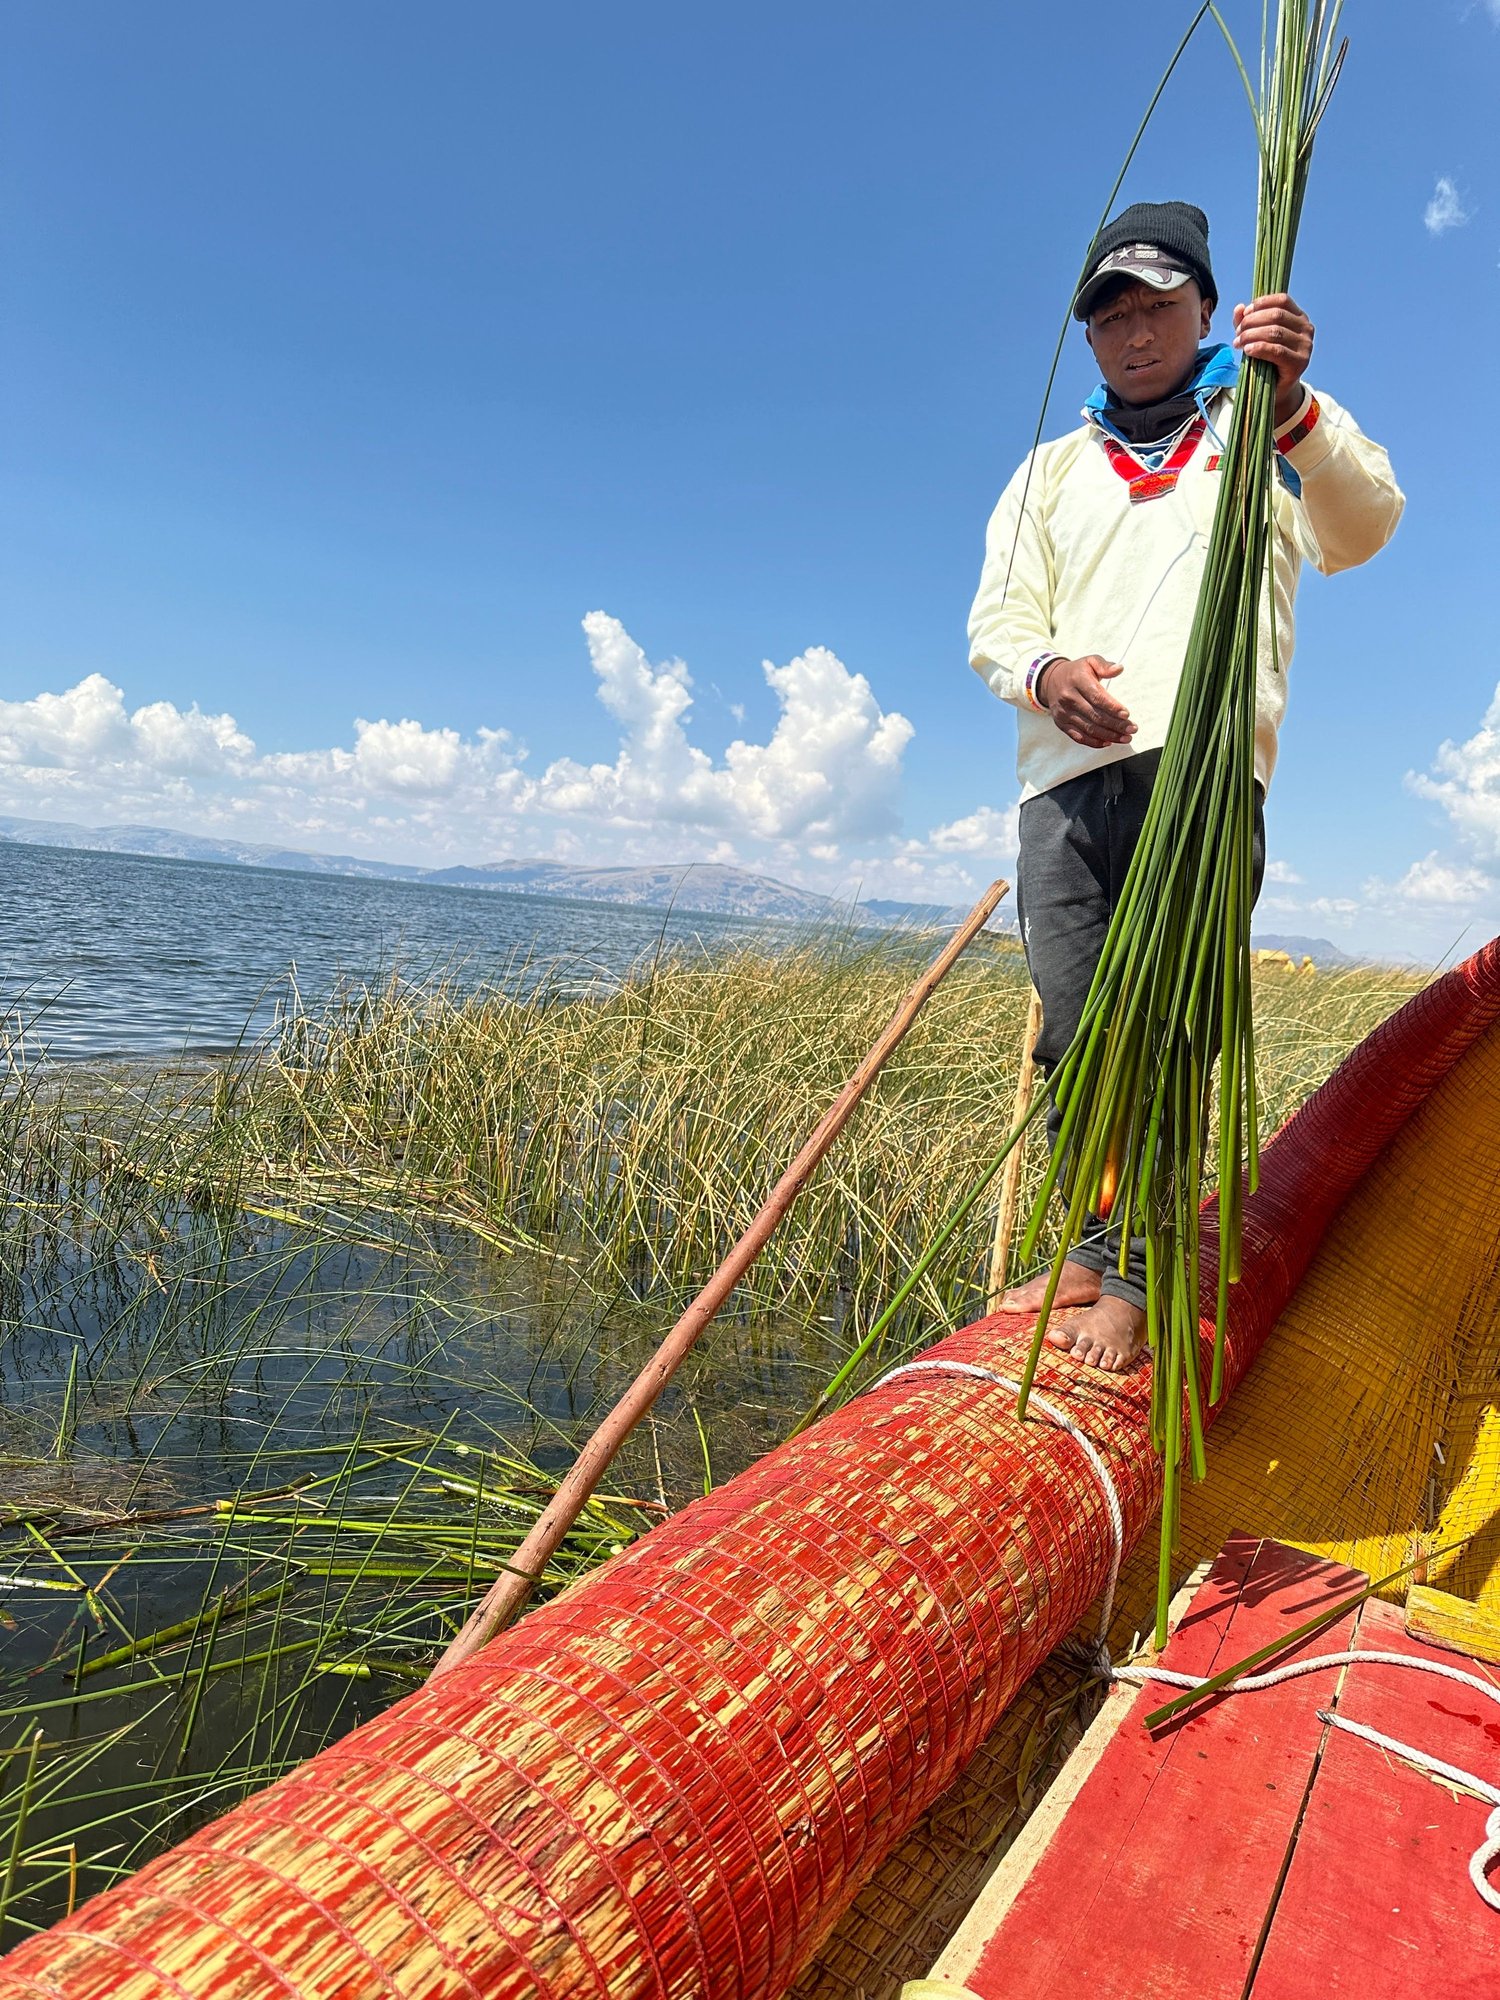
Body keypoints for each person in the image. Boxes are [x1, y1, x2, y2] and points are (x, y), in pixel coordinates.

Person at [967, 199, 1402, 1373]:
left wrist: (1299, 407)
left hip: (1203, 778)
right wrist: (1044, 670)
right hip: (1064, 790)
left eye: (1156, 303)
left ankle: (1144, 1284)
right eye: (1109, 312)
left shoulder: (1260, 422)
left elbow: (1368, 522)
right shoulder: (1052, 471)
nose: (1133, 329)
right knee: (1078, 1034)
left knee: (1165, 1038)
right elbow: (996, 621)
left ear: (1206, 306)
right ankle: (1089, 1238)